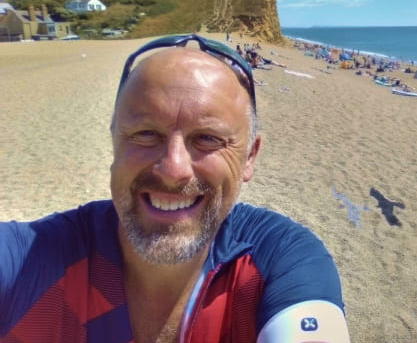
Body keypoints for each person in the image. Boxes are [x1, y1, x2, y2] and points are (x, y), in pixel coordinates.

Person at [0, 34, 350, 342]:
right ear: (114, 141)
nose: (174, 169)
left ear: (249, 158)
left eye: (208, 139)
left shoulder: (279, 261)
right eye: (146, 134)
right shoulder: (32, 262)